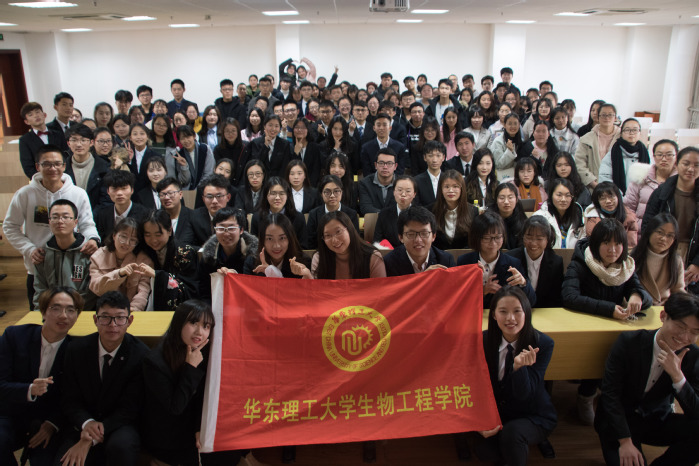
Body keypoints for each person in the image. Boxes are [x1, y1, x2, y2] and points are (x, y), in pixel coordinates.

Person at [595, 292, 699, 466]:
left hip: (655, 419)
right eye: (680, 326)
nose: (685, 337)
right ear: (663, 316)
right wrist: (625, 442)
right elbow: (610, 394)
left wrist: (677, 376)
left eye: (694, 332)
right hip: (619, 422)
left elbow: (695, 412)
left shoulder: (692, 355)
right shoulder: (629, 342)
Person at [57, 291, 149, 466]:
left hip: (120, 424)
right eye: (105, 317)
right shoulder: (76, 350)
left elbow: (131, 408)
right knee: (65, 461)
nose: (112, 325)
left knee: (121, 448)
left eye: (120, 318)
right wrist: (87, 423)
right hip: (83, 421)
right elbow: (69, 397)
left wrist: (91, 437)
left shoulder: (141, 355)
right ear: (95, 320)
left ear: (129, 321)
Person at [3, 145, 99, 310]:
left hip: (72, 266)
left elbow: (86, 224)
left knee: (77, 311)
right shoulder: (25, 194)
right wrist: (29, 249)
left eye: (57, 164)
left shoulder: (78, 193)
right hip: (39, 266)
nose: (52, 168)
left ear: (64, 166)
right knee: (40, 313)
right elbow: (10, 226)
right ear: (37, 166)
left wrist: (92, 239)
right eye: (46, 164)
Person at [0, 287, 83, 466]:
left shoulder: (76, 350)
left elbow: (73, 398)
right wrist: (29, 389)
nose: (64, 316)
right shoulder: (14, 336)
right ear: (43, 311)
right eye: (56, 308)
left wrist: (52, 424)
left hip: (48, 419)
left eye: (71, 310)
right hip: (10, 414)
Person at [476, 286, 556, 466]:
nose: (510, 318)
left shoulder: (543, 344)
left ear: (526, 313)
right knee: (484, 452)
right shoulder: (483, 340)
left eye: (517, 311)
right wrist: (479, 419)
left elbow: (524, 395)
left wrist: (519, 369)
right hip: (500, 411)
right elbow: (476, 384)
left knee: (512, 434)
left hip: (532, 413)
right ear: (494, 315)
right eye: (503, 311)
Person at [141, 301, 226, 465]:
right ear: (179, 322)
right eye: (193, 323)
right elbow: (175, 407)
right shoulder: (154, 361)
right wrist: (190, 368)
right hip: (168, 437)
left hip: (192, 429)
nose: (199, 332)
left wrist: (198, 427)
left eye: (206, 326)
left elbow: (203, 397)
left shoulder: (203, 352)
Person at [562, 217, 652, 318]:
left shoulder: (625, 267)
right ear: (596, 244)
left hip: (615, 323)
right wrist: (609, 309)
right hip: (585, 320)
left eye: (617, 244)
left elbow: (646, 298)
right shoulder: (580, 263)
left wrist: (637, 295)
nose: (612, 250)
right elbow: (569, 297)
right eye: (606, 243)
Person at [643, 146, 699, 286]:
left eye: (696, 165)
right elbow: (647, 224)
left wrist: (697, 263)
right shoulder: (662, 192)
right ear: (677, 164)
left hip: (692, 252)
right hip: (662, 248)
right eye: (686, 164)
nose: (691, 169)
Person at [457, 211, 536, 308]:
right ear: (476, 238)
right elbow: (457, 300)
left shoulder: (513, 263)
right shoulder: (465, 262)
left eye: (498, 237)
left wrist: (523, 283)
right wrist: (482, 291)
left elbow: (531, 302)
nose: (493, 243)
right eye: (487, 238)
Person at [33, 199, 95, 310]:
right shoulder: (42, 255)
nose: (60, 221)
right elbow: (40, 291)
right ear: (49, 221)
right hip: (51, 313)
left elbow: (90, 292)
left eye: (66, 217)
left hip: (81, 312)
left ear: (75, 222)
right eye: (55, 217)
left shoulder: (88, 253)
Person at [89, 217, 153, 312]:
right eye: (123, 237)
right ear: (114, 235)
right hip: (104, 310)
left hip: (132, 311)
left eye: (133, 240)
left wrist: (134, 309)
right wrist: (119, 274)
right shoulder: (98, 256)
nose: (127, 243)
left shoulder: (143, 260)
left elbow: (143, 291)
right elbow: (97, 287)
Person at [140, 210, 198, 311]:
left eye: (158, 235)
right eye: (148, 235)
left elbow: (189, 290)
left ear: (169, 230)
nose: (153, 240)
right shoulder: (145, 251)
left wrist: (157, 275)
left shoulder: (184, 252)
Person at [198, 207, 257, 301]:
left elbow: (255, 291)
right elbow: (204, 292)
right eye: (221, 228)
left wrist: (236, 278)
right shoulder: (208, 257)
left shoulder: (253, 256)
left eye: (231, 228)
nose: (226, 233)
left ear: (241, 230)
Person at [624, 139, 678, 239]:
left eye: (669, 155)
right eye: (659, 155)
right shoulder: (640, 178)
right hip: (639, 235)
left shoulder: (679, 183)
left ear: (676, 156)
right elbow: (628, 208)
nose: (664, 159)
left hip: (668, 237)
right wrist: (634, 229)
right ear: (654, 156)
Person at [506, 216, 564, 307]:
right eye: (529, 237)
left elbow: (556, 298)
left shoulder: (556, 262)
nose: (533, 243)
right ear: (523, 236)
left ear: (547, 240)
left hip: (545, 310)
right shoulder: (510, 258)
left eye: (539, 239)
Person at [312, 211, 386, 279]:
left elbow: (379, 288)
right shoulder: (319, 258)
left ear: (349, 229)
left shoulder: (373, 257)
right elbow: (317, 288)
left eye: (338, 232)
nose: (334, 240)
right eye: (328, 235)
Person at [384, 206, 455, 276]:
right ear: (401, 237)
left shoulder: (446, 260)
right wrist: (424, 278)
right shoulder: (389, 262)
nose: (418, 240)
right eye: (411, 234)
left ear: (433, 236)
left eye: (424, 233)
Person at [632, 213, 685, 305]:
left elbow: (678, 291)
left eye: (670, 236)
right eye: (660, 232)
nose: (664, 238)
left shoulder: (676, 261)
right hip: (637, 307)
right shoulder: (632, 257)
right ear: (650, 232)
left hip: (663, 308)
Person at [244, 213, 312, 278]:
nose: (276, 246)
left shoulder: (303, 262)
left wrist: (306, 274)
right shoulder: (252, 262)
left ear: (290, 238)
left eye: (282, 238)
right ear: (262, 240)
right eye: (270, 239)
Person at [63, 123, 110, 211]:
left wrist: (89, 216)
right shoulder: (62, 168)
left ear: (91, 142)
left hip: (95, 216)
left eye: (83, 140)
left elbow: (106, 200)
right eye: (74, 140)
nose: (79, 144)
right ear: (68, 143)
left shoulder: (104, 167)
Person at [249, 177, 308, 247]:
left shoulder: (298, 218)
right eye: (273, 193)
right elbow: (254, 246)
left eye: (281, 193)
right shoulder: (257, 217)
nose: (277, 198)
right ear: (266, 195)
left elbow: (303, 246)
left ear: (288, 196)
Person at [306, 175, 359, 249]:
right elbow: (311, 242)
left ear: (341, 192)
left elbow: (354, 240)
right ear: (321, 194)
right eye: (327, 192)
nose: (332, 195)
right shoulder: (314, 214)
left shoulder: (351, 214)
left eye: (336, 191)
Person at [575, 103, 621, 189]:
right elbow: (580, 164)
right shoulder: (586, 139)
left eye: (610, 115)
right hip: (594, 186)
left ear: (615, 117)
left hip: (618, 186)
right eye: (603, 115)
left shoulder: (622, 137)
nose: (607, 118)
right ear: (598, 117)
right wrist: (594, 184)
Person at [95, 169, 150, 241]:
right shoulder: (103, 214)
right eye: (114, 188)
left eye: (124, 188)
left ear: (132, 190)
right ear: (108, 191)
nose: (119, 193)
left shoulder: (144, 214)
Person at [598, 118, 650, 194]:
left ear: (640, 133)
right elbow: (605, 178)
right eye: (627, 130)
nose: (631, 133)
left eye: (635, 130)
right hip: (617, 197)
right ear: (621, 133)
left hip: (640, 197)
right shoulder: (612, 154)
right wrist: (618, 196)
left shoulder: (645, 154)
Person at [18, 102, 67, 179]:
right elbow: (27, 166)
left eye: (37, 112)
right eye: (30, 114)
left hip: (62, 176)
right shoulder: (24, 140)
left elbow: (66, 155)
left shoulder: (58, 134)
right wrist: (42, 180)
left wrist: (62, 175)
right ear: (26, 122)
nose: (36, 115)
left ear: (44, 115)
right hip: (41, 179)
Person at [532, 178, 585, 249]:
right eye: (559, 195)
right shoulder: (539, 217)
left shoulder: (579, 216)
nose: (563, 199)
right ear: (551, 195)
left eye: (567, 195)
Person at [432, 169, 478, 250]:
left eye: (455, 186)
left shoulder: (473, 211)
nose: (450, 190)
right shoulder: (431, 210)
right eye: (446, 187)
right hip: (438, 256)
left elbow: (474, 241)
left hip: (464, 256)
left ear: (461, 189)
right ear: (441, 189)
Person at [584, 182, 638, 248]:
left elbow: (631, 245)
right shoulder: (593, 219)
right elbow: (594, 244)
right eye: (602, 198)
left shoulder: (629, 217)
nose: (608, 201)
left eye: (611, 196)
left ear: (618, 197)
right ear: (597, 201)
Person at [373, 175, 417, 248]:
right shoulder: (384, 214)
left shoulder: (421, 214)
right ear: (394, 192)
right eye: (399, 190)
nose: (403, 194)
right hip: (390, 253)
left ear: (414, 194)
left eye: (408, 191)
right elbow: (377, 241)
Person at [190, 174, 233, 248]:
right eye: (209, 197)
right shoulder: (194, 217)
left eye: (219, 196)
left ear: (228, 197)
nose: (214, 201)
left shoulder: (236, 217)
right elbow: (188, 245)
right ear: (203, 199)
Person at [156, 177, 195, 245]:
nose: (166, 198)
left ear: (180, 194)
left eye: (170, 193)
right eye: (162, 194)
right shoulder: (157, 219)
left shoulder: (193, 217)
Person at [359, 148, 398, 215]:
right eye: (381, 163)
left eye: (389, 163)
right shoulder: (364, 183)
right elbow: (365, 207)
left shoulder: (402, 183)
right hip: (374, 219)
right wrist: (384, 215)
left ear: (395, 166)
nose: (385, 167)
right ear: (375, 165)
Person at [488, 182, 527, 249]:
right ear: (496, 200)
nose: (506, 202)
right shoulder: (488, 219)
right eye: (502, 198)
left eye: (510, 197)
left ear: (517, 199)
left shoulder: (522, 220)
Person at [176, 125, 215, 190]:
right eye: (182, 138)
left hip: (204, 188)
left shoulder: (205, 149)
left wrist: (198, 190)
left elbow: (209, 173)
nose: (186, 141)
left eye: (188, 137)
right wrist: (184, 167)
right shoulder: (180, 155)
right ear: (179, 140)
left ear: (194, 136)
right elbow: (184, 181)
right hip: (188, 192)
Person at [489, 113, 523, 181]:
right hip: (502, 177)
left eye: (515, 123)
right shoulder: (498, 141)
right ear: (504, 125)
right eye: (510, 124)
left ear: (519, 125)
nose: (513, 126)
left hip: (518, 177)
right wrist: (509, 151)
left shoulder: (521, 141)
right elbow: (498, 164)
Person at [290, 118, 322, 187]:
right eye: (297, 127)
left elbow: (316, 171)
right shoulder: (289, 147)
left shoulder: (315, 147)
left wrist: (309, 188)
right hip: (293, 186)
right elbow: (290, 169)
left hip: (311, 186)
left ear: (307, 130)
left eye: (303, 127)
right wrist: (296, 153)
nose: (299, 130)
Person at [416, 140, 447, 208]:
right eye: (430, 156)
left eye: (438, 155)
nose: (434, 160)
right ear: (425, 157)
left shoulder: (448, 179)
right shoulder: (417, 181)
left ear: (443, 157)